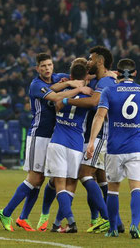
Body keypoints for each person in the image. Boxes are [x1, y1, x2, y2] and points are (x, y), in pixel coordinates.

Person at [0, 53, 91, 232]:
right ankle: (6, 212)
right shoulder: (36, 85)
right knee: (35, 177)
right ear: (37, 68)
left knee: (41, 180)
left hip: (54, 136)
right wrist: (76, 88)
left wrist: (99, 75)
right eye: (43, 66)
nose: (47, 69)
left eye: (49, 65)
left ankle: (23, 218)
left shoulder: (55, 78)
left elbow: (75, 76)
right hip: (39, 136)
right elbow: (56, 97)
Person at [86, 58, 140, 238]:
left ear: (116, 73)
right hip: (136, 148)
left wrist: (92, 141)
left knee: (113, 190)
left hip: (115, 148)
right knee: (136, 188)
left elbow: (100, 117)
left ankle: (113, 229)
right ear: (135, 73)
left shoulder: (109, 91)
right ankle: (134, 225)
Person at [57, 46, 122, 233]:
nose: (89, 62)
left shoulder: (106, 82)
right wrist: (69, 82)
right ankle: (112, 221)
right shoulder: (102, 79)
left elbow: (94, 102)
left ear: (100, 61)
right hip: (96, 135)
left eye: (91, 59)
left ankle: (109, 219)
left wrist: (68, 100)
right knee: (100, 178)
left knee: (84, 174)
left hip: (99, 135)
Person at [45, 63, 90, 233]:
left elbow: (52, 94)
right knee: (71, 184)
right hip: (76, 145)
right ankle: (58, 224)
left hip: (58, 141)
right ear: (86, 76)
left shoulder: (61, 95)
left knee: (60, 184)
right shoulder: (88, 95)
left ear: (70, 76)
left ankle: (69, 222)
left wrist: (70, 86)